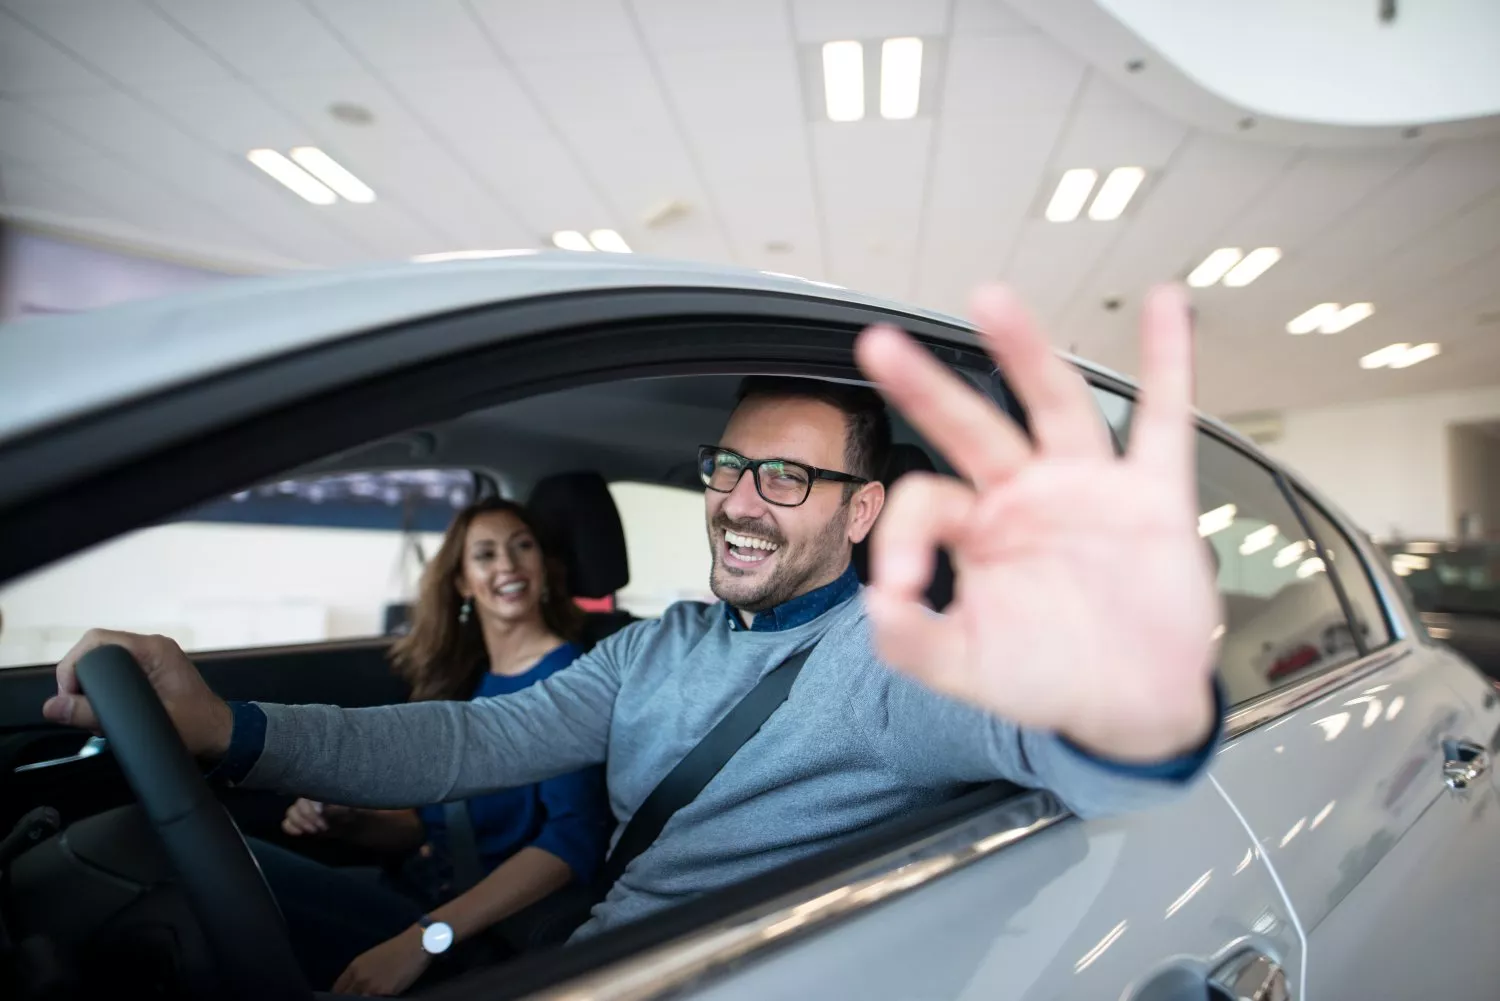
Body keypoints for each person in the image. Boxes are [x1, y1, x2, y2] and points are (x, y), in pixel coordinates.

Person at [44, 285, 1223, 963]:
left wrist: (1138, 685)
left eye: (789, 478)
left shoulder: (891, 660)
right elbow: (469, 744)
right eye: (729, 465)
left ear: (864, 510)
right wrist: (232, 728)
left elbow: (1079, 746)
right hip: (588, 957)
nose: (739, 501)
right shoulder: (663, 645)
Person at [247, 499, 611, 994]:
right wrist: (350, 820)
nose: (507, 564)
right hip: (418, 889)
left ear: (544, 567)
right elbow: (438, 827)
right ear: (462, 582)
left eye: (521, 546)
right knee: (237, 876)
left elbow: (573, 840)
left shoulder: (570, 678)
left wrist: (425, 938)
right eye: (485, 554)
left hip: (461, 928)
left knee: (230, 885)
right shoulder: (479, 679)